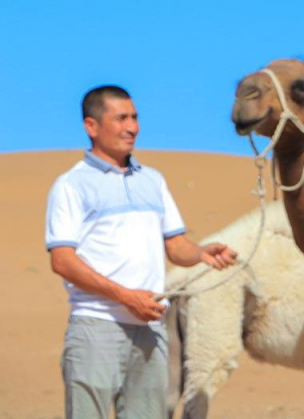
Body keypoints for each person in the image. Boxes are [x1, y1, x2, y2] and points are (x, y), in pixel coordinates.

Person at [45, 85, 238, 418]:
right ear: (92, 126)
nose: (132, 127)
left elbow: (176, 247)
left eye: (134, 117)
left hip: (149, 331)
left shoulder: (153, 180)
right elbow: (62, 261)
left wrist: (203, 253)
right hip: (96, 327)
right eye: (121, 118)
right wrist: (125, 297)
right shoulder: (71, 185)